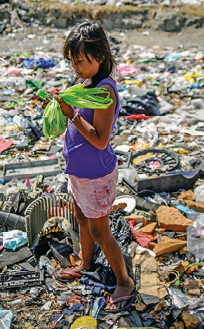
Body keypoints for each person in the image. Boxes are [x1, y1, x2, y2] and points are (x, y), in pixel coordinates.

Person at [43, 20, 136, 313]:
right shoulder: (85, 83)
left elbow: (99, 140)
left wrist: (71, 115)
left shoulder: (105, 92)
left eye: (80, 61)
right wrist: (61, 102)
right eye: (72, 61)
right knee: (81, 221)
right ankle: (85, 264)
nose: (76, 67)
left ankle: (124, 280)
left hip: (96, 174)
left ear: (100, 57)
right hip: (79, 172)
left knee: (100, 231)